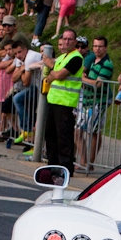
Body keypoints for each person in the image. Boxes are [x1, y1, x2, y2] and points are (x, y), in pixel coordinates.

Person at [42, 28, 83, 174]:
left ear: (75, 41)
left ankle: (65, 167)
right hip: (54, 101)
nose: (66, 41)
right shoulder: (62, 57)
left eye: (69, 39)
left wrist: (51, 67)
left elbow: (58, 75)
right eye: (64, 39)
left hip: (66, 103)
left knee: (64, 137)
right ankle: (52, 165)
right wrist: (53, 72)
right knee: (50, 134)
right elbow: (52, 76)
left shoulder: (76, 58)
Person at [76, 36, 114, 167]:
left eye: (100, 46)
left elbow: (98, 83)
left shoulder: (107, 64)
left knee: (94, 131)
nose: (97, 49)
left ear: (105, 48)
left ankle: (89, 162)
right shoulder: (92, 60)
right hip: (87, 100)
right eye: (95, 46)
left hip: (98, 101)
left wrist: (82, 79)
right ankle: (83, 160)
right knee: (78, 130)